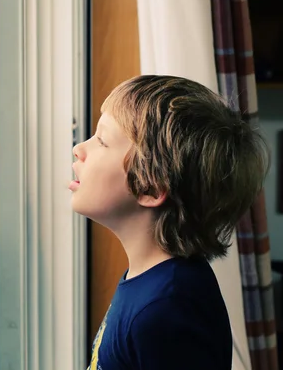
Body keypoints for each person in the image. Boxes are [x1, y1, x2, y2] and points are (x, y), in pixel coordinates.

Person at [71, 75, 269, 370]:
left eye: (101, 140)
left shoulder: (165, 310)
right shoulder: (155, 281)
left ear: (150, 187)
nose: (79, 149)